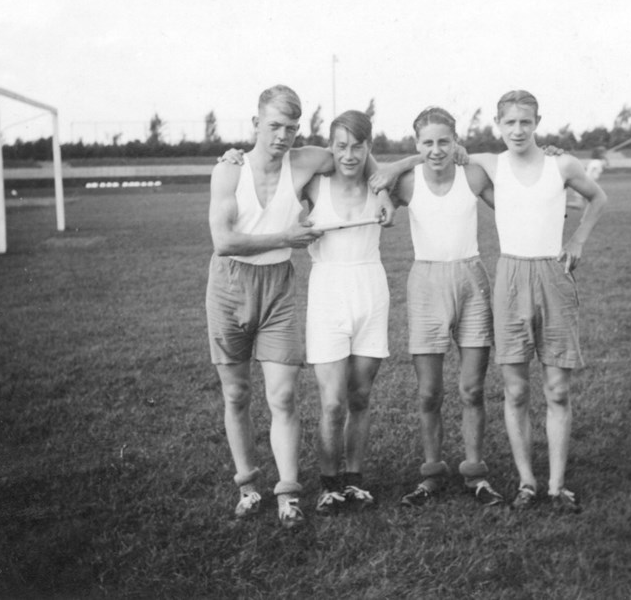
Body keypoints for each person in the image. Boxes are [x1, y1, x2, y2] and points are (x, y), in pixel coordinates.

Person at [380, 91, 607, 512]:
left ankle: (522, 481)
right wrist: (394, 169)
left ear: (537, 121)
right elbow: (413, 167)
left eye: (526, 122)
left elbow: (576, 197)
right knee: (473, 391)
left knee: (517, 389)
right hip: (468, 280)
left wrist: (572, 231)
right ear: (498, 125)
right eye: (510, 123)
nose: (518, 130)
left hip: (519, 277)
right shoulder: (452, 171)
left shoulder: (524, 167)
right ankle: (481, 478)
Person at [207, 86, 391, 528]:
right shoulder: (229, 171)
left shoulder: (307, 160)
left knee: (283, 395)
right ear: (256, 124)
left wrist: (382, 187)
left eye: (291, 127)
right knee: (236, 393)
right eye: (273, 126)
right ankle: (248, 486)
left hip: (279, 286)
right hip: (229, 285)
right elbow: (224, 242)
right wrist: (286, 238)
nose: (282, 135)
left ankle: (288, 493)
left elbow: (358, 152)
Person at [387, 107, 505, 509]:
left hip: (471, 280)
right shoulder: (406, 183)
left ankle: (476, 473)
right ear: (416, 144)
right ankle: (432, 473)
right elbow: (366, 182)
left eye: (443, 141)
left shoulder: (471, 176)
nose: (436, 150)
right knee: (428, 393)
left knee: (472, 389)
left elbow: (512, 205)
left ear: (455, 141)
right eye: (427, 143)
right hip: (425, 285)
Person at [304, 111, 390, 516]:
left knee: (360, 397)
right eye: (340, 146)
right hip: (327, 293)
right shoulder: (313, 185)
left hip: (370, 290)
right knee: (333, 402)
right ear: (330, 147)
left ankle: (354, 482)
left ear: (369, 147)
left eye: (358, 146)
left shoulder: (384, 186)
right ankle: (328, 485)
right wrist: (232, 155)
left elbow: (428, 165)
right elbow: (272, 164)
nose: (349, 155)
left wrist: (388, 185)